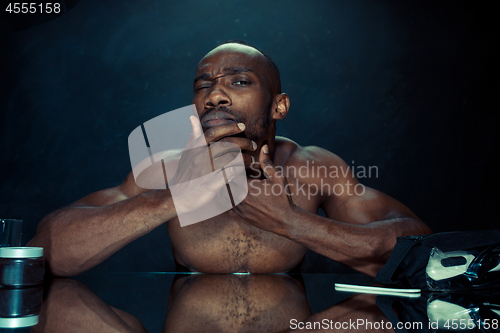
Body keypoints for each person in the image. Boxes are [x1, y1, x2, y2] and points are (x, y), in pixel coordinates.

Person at [27, 41, 431, 277]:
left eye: (239, 82)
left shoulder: (310, 166)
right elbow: (45, 252)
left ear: (279, 106)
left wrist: (292, 222)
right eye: (204, 86)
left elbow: (420, 247)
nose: (215, 96)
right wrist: (173, 199)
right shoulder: (168, 167)